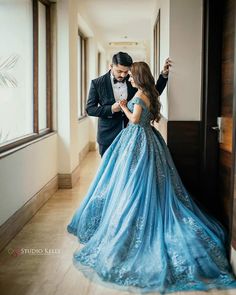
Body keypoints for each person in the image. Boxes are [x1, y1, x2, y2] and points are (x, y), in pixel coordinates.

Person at [67, 62, 236, 294]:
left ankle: (136, 217)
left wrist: (124, 107)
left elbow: (135, 121)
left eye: (131, 76)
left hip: (138, 139)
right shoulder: (150, 92)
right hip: (150, 139)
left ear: (137, 76)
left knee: (135, 182)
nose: (128, 79)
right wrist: (163, 76)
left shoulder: (140, 94)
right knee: (145, 181)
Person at [86, 51, 171, 156]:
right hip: (108, 135)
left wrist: (164, 75)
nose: (123, 75)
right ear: (111, 66)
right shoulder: (97, 83)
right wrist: (111, 108)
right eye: (119, 71)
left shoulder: (133, 80)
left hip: (133, 136)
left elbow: (152, 92)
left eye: (126, 72)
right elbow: (90, 109)